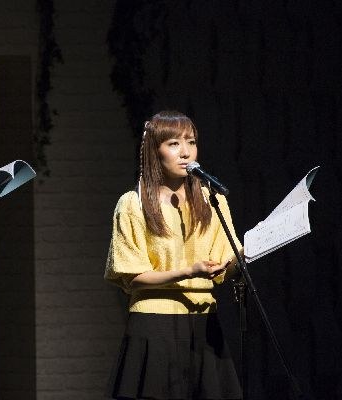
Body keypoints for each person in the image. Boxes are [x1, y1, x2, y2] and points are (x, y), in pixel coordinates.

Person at [104, 111, 243, 399]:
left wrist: (246, 256)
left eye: (191, 142)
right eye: (174, 144)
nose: (185, 152)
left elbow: (227, 262)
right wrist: (189, 271)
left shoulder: (212, 200)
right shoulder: (133, 204)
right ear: (155, 152)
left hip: (203, 319)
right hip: (154, 322)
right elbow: (132, 276)